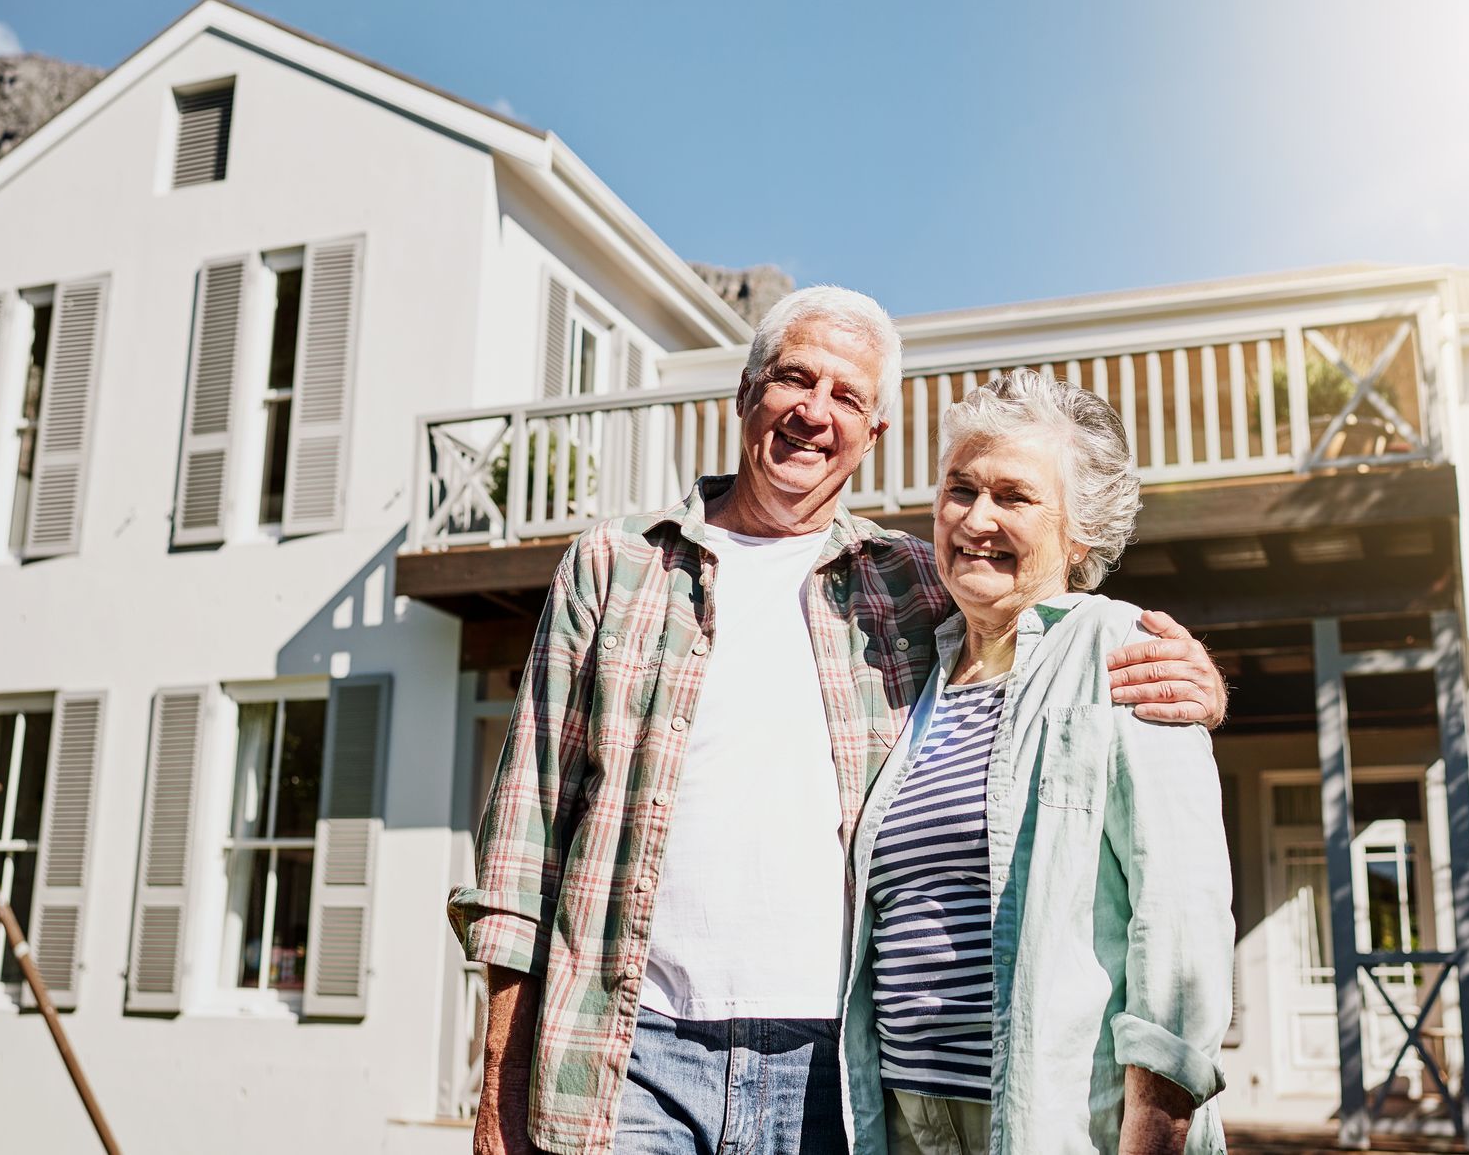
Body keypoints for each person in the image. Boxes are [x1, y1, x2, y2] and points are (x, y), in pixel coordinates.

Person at [448, 287, 1228, 1155]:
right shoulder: (615, 567)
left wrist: (1199, 691)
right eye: (793, 379)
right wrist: (499, 1091)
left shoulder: (907, 583)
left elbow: (1047, 621)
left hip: (837, 1079)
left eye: (848, 397)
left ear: (873, 432)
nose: (814, 413)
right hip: (632, 1055)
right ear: (747, 391)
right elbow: (522, 847)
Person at [843, 368, 1234, 1155]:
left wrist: (1156, 1130)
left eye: (1014, 497)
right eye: (960, 490)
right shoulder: (921, 677)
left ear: (1079, 531)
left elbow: (1181, 912)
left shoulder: (1118, 649)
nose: (975, 518)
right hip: (904, 1121)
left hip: (1057, 1124)